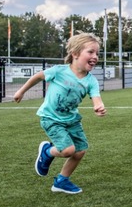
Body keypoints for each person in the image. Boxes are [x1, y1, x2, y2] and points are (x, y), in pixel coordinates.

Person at [13, 33, 106, 194]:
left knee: (80, 150)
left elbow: (96, 98)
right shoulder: (59, 71)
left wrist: (99, 107)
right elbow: (38, 77)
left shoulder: (91, 80)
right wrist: (21, 91)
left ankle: (61, 181)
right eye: (90, 52)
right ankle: (47, 152)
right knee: (68, 150)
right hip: (51, 118)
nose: (95, 56)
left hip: (72, 120)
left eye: (97, 53)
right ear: (75, 54)